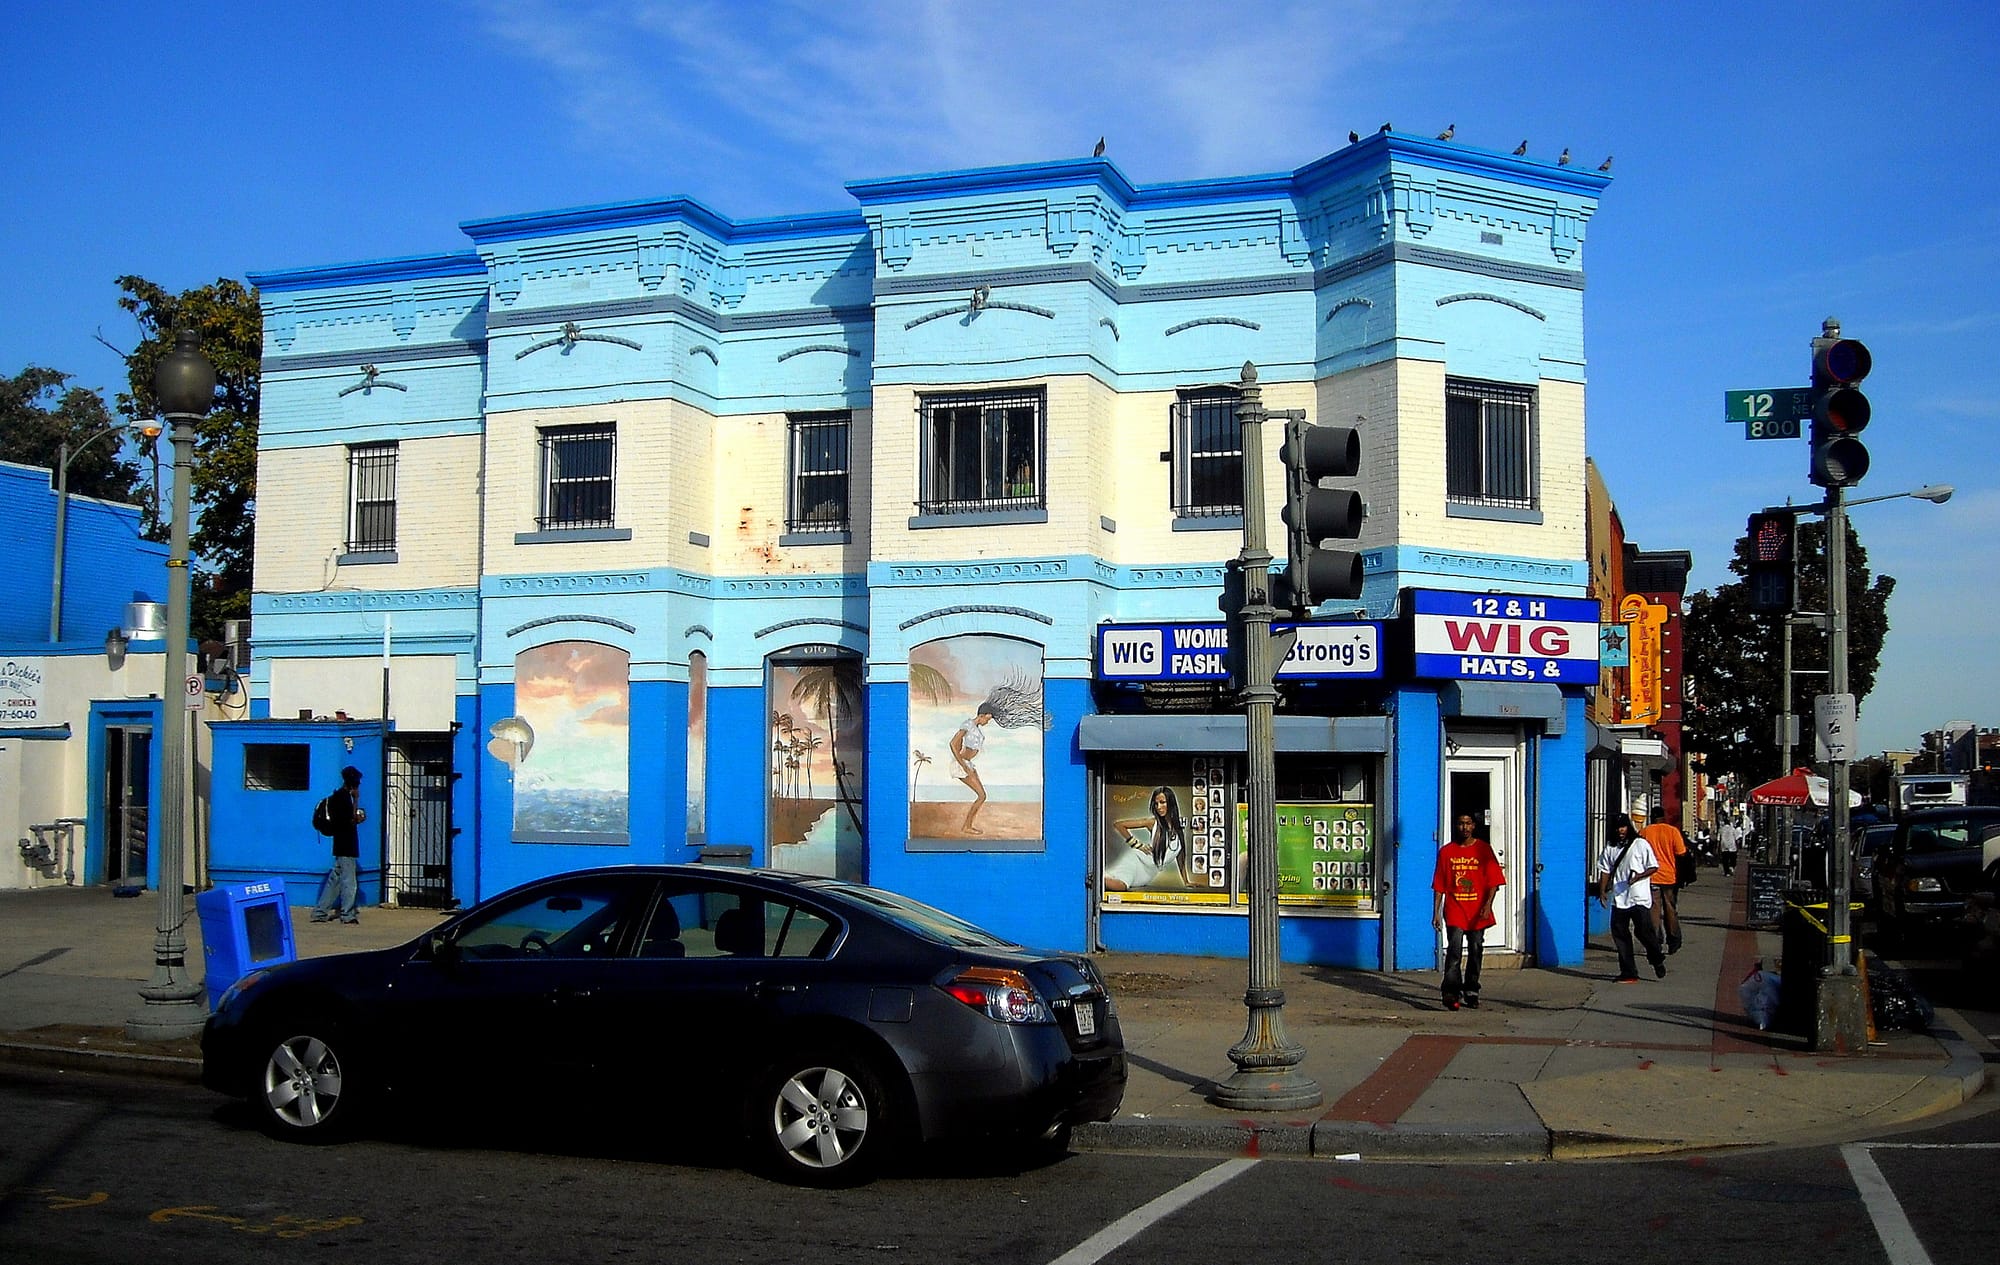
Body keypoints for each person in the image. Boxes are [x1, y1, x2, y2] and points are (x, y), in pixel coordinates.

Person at [1431, 812, 1505, 1011]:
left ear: (1474, 826)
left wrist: (1487, 905)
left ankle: (1471, 989)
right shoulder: (1447, 852)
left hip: (1477, 911)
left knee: (1475, 948)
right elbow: (1439, 885)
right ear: (1456, 826)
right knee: (1454, 950)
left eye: (1468, 823)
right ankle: (1450, 991)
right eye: (1461, 823)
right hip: (1455, 909)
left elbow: (1494, 882)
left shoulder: (1483, 850)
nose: (1464, 827)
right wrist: (1436, 912)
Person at [1598, 819, 1666, 982]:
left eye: (1623, 827)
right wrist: (1602, 891)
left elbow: (1653, 866)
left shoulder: (1640, 844)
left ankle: (1656, 958)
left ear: (1629, 827)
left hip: (1639, 897)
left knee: (1644, 932)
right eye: (1618, 827)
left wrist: (1639, 877)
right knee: (1620, 934)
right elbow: (1605, 870)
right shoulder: (1611, 847)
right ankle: (1628, 972)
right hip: (1620, 898)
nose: (1621, 830)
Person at [311, 765, 367, 924]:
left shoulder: (338, 797)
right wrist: (356, 800)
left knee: (335, 880)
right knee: (349, 882)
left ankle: (319, 913)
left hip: (341, 844)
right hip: (346, 845)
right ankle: (347, 915)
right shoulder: (343, 798)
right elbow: (349, 821)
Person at [1106, 786, 1188, 891]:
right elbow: (1119, 825)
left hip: (1149, 873)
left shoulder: (1179, 830)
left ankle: (1096, 878)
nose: (1159, 807)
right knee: (1120, 886)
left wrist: (1186, 881)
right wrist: (1136, 844)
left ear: (1171, 803)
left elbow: (1180, 857)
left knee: (1117, 884)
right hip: (1137, 860)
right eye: (1156, 803)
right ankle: (1094, 878)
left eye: (1162, 802)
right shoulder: (1153, 823)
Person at [1640, 807, 1688, 954]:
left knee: (1653, 909)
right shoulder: (1672, 831)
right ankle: (1673, 940)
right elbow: (1681, 853)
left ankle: (1655, 940)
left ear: (1651, 817)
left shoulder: (1645, 832)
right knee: (1670, 909)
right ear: (1663, 817)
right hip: (1669, 877)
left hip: (1651, 876)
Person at [949, 701, 995, 834]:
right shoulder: (968, 724)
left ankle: (967, 826)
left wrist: (968, 766)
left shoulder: (976, 728)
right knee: (981, 795)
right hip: (961, 764)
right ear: (981, 715)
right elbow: (952, 744)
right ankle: (967, 826)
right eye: (987, 719)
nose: (988, 722)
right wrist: (964, 766)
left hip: (968, 764)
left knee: (982, 795)